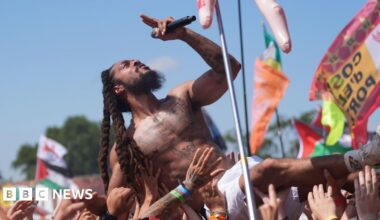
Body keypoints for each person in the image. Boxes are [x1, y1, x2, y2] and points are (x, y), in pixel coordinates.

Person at [99, 14, 380, 219]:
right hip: (220, 199)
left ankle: (364, 163)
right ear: (118, 89)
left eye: (134, 59)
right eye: (126, 64)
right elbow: (113, 202)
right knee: (267, 170)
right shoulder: (126, 147)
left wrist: (184, 36)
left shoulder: (181, 96)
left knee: (348, 182)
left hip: (245, 173)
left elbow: (229, 69)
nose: (136, 61)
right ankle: (364, 155)